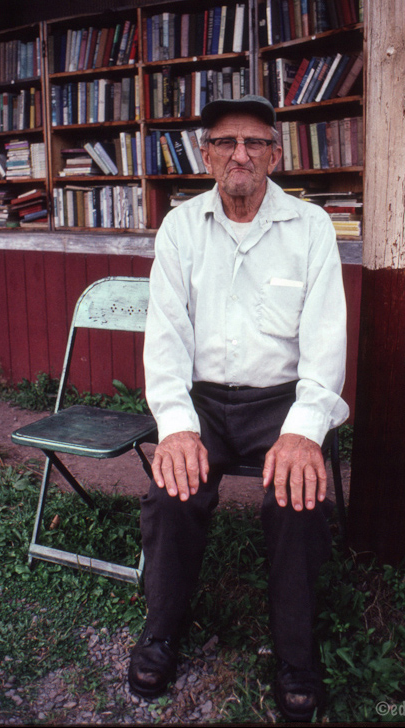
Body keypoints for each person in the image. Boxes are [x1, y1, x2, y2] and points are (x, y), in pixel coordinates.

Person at [128, 94, 349, 721]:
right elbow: (166, 337)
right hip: (203, 404)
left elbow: (326, 342)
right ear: (206, 156)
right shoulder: (180, 227)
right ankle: (163, 631)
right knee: (171, 494)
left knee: (298, 498)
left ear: (275, 153)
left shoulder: (309, 227)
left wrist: (305, 433)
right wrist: (175, 428)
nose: (241, 154)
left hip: (282, 404)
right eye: (226, 142)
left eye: (255, 142)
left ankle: (297, 654)